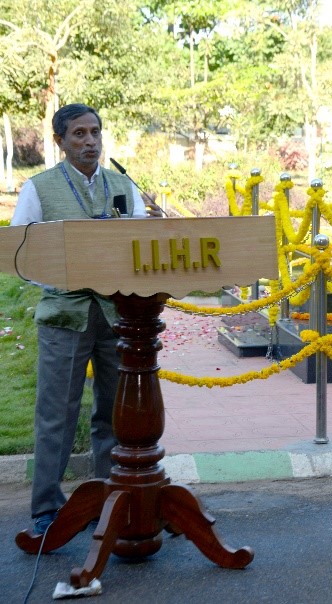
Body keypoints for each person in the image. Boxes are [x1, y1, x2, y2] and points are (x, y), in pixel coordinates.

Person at [11, 103, 164, 535]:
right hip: (66, 315)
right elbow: (22, 253)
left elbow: (144, 248)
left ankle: (112, 497)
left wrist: (155, 225)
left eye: (95, 132)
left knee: (116, 414)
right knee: (57, 412)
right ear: (60, 141)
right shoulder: (38, 189)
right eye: (78, 134)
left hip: (121, 316)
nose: (90, 141)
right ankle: (46, 509)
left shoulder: (123, 184)